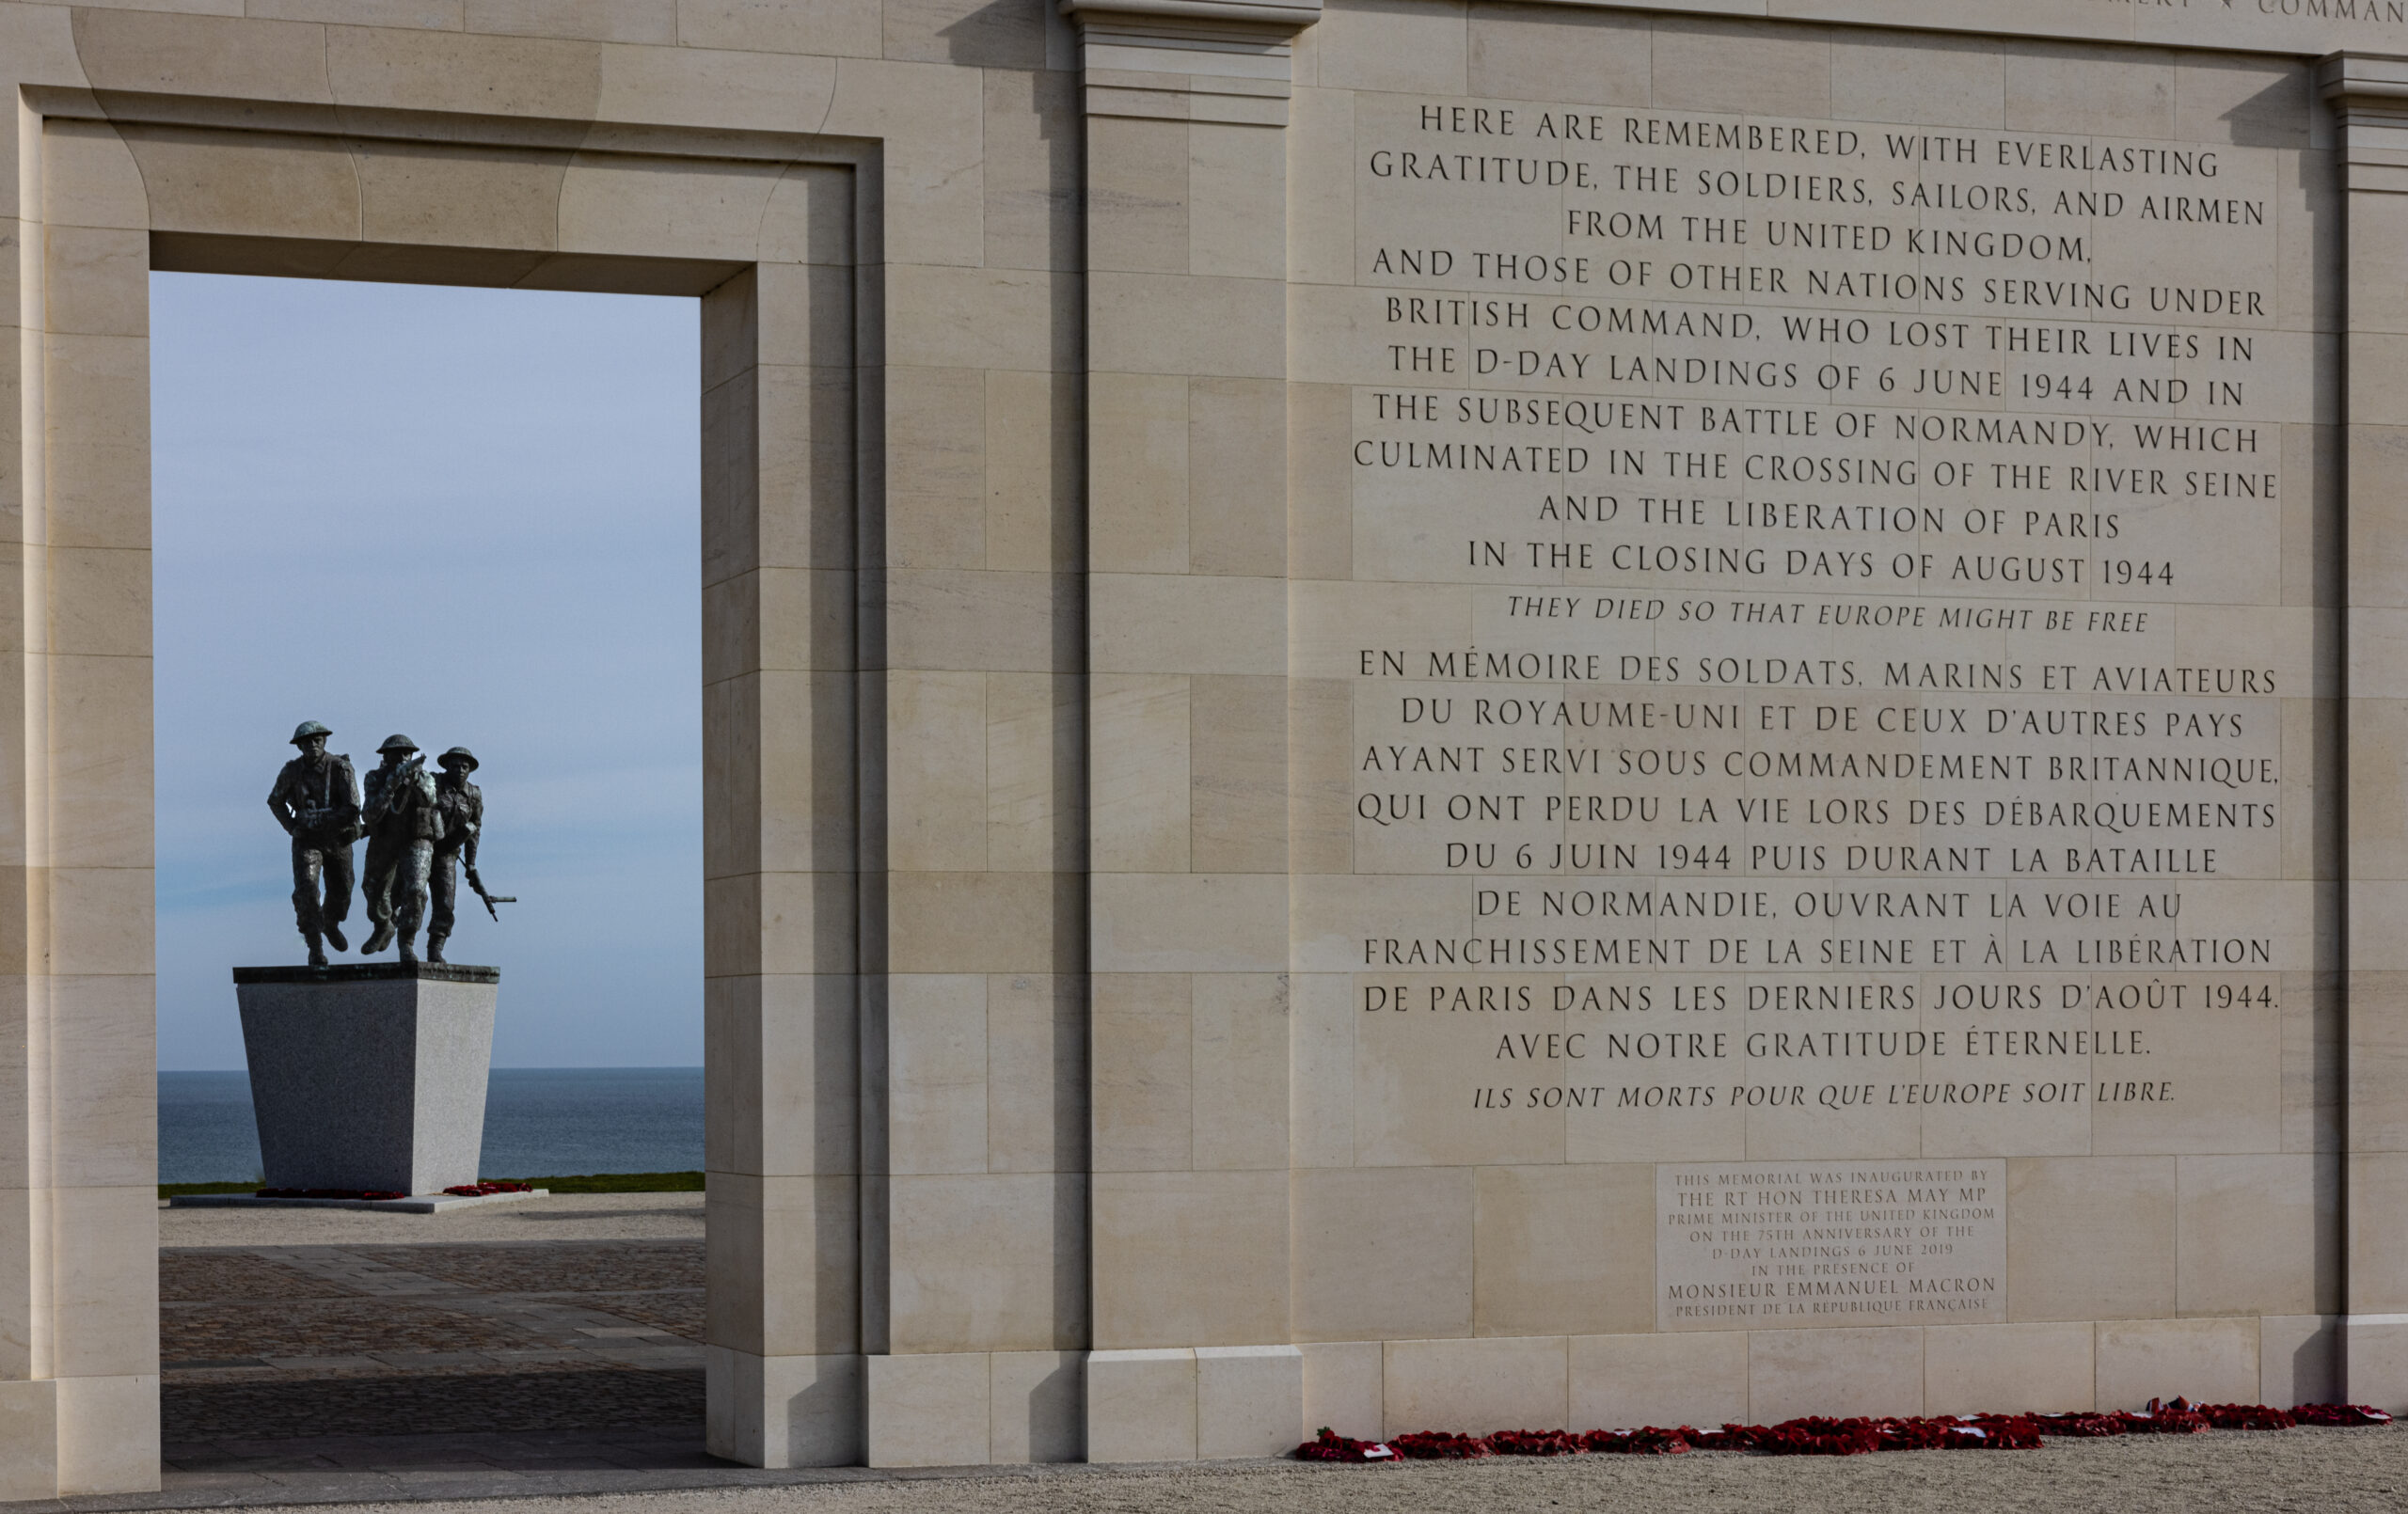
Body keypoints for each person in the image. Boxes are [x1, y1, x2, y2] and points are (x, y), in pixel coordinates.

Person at [265, 721, 359, 967]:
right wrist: (293, 827)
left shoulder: (340, 767)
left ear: (324, 741)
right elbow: (275, 801)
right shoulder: (291, 771)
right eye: (307, 742)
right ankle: (315, 947)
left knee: (343, 889)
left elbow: (353, 807)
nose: (313, 745)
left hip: (337, 838)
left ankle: (331, 922)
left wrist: (328, 819)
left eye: (317, 740)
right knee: (306, 890)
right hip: (307, 840)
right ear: (299, 746)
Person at [358, 733, 444, 962]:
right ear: (385, 757)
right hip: (385, 838)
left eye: (407, 754)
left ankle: (406, 941)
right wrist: (390, 786)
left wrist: (413, 782)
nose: (402, 758)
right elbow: (369, 814)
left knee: (416, 890)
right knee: (372, 888)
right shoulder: (374, 778)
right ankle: (384, 924)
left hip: (417, 838)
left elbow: (429, 800)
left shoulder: (425, 777)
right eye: (396, 754)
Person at [426, 747, 484, 966]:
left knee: (446, 904)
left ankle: (435, 948)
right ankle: (396, 932)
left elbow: (475, 830)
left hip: (447, 855)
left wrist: (471, 864)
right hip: (423, 847)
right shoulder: (433, 783)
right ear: (446, 767)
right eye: (455, 766)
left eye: (464, 766)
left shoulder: (474, 795)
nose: (460, 770)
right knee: (408, 895)